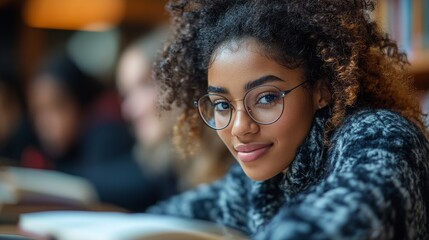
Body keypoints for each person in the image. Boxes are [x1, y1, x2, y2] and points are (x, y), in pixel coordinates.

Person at [147, 0, 429, 239]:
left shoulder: (382, 136)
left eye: (267, 98)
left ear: (322, 89)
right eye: (222, 104)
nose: (240, 127)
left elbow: (339, 220)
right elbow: (161, 221)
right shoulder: (263, 182)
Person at [115, 28, 233, 211]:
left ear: (182, 80)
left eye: (144, 85)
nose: (128, 110)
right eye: (127, 94)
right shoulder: (169, 164)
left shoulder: (237, 158)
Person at [24, 52, 135, 207]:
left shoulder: (107, 136)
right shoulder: (41, 151)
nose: (46, 122)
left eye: (57, 106)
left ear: (80, 102)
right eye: (38, 111)